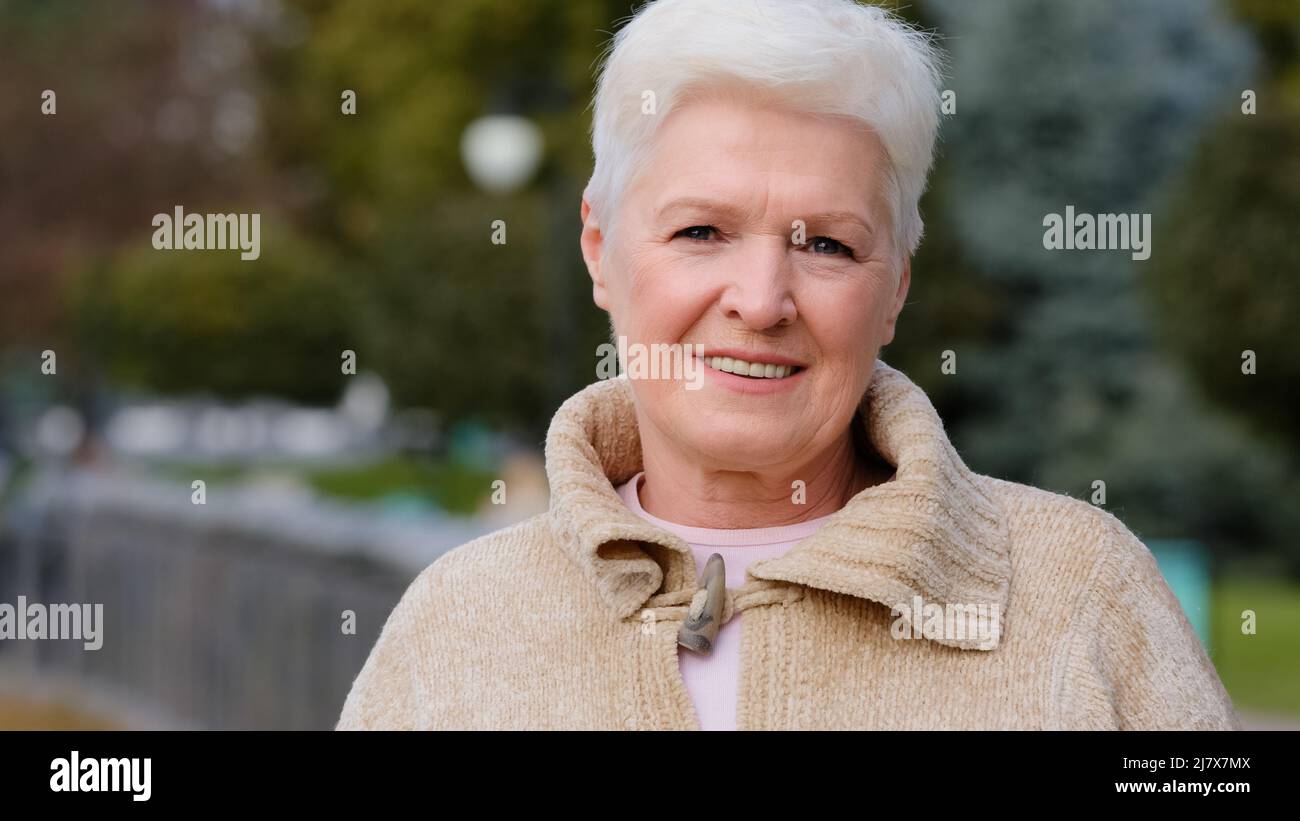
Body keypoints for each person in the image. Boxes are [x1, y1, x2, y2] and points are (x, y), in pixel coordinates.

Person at [337, 0, 1239, 731]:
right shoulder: (457, 625)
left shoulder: (1082, 592)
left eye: (828, 245)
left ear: (896, 286)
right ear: (601, 250)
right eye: (702, 231)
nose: (763, 300)